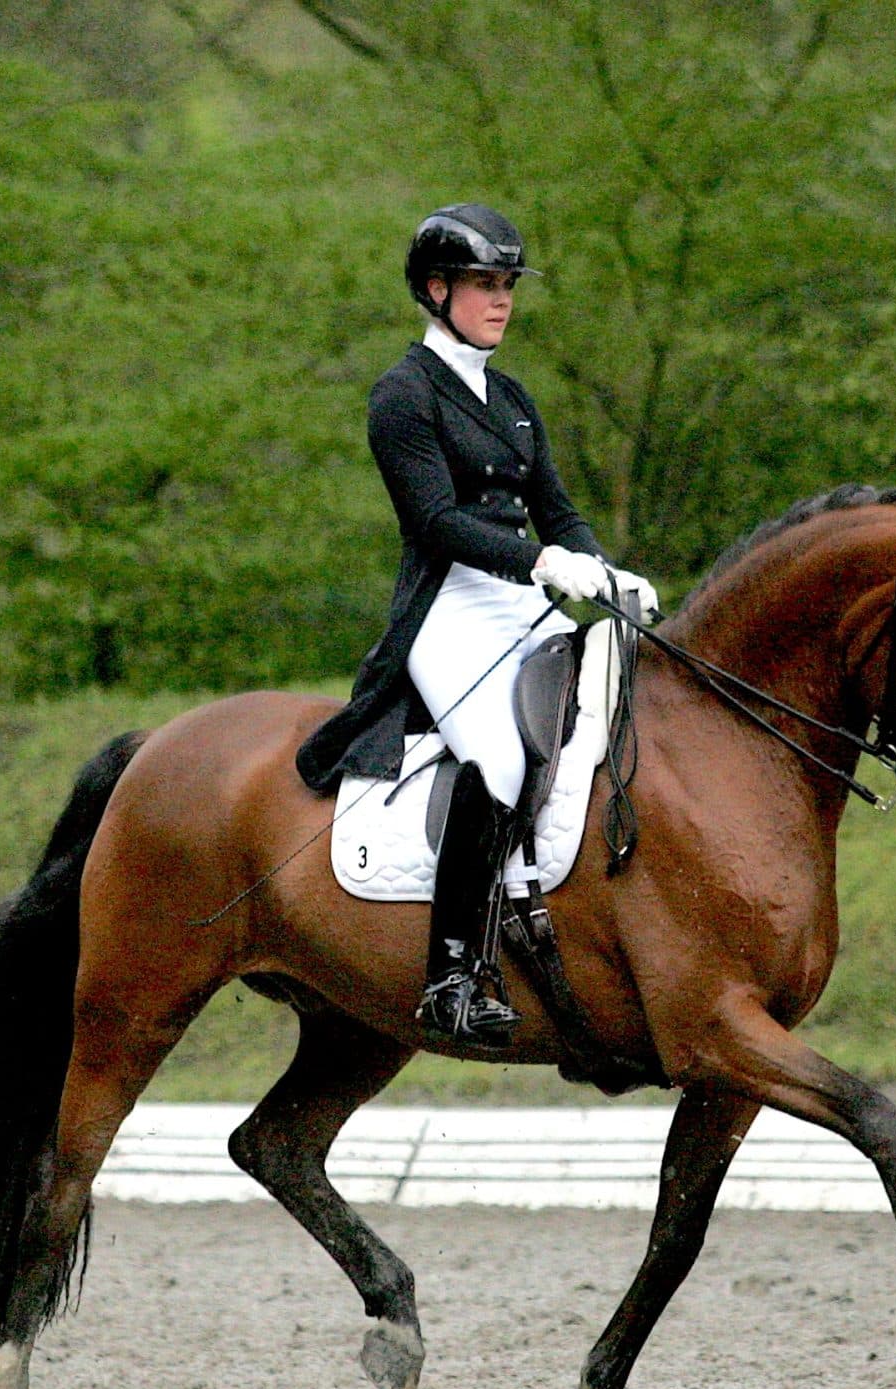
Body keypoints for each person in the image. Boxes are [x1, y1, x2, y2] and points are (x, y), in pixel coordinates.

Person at [295, 204, 660, 1047]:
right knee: (498, 759)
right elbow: (434, 521)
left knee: (603, 722)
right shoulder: (402, 395)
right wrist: (543, 564)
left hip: (521, 599)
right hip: (448, 605)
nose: (501, 302)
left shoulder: (511, 395)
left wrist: (601, 571)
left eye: (507, 287)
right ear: (437, 289)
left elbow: (557, 510)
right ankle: (452, 973)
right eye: (484, 286)